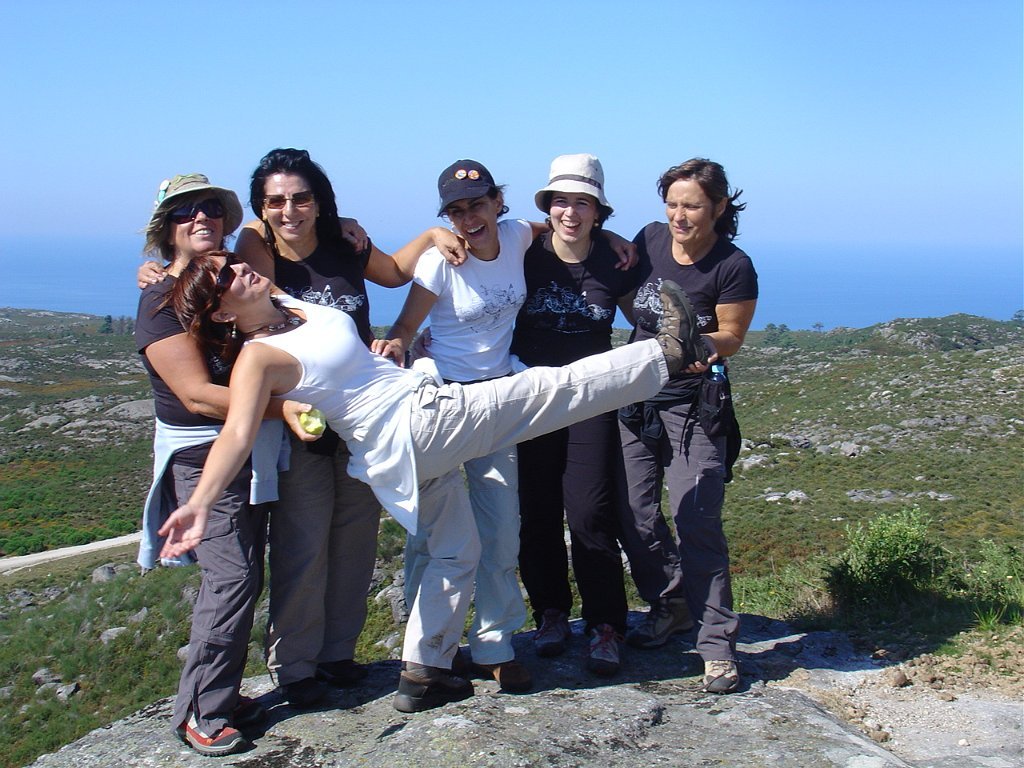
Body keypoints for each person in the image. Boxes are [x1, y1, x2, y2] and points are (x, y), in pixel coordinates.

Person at [157, 251, 704, 714]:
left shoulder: (286, 305)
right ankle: (668, 353)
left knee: (454, 550)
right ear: (221, 313)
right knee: (545, 390)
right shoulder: (256, 358)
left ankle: (424, 669)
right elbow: (237, 433)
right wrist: (199, 503)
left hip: (410, 433)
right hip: (416, 426)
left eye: (233, 260)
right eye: (224, 276)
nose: (238, 269)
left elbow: (265, 242)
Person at [376, 159, 635, 693]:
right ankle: (425, 654)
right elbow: (405, 323)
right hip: (445, 404)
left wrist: (611, 238)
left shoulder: (517, 236)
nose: (468, 218)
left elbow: (561, 225)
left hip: (500, 402)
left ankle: (495, 645)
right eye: (455, 210)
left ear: (498, 202)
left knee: (501, 533)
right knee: (432, 538)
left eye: (478, 204)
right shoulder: (440, 260)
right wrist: (397, 342)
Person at [230, 148, 466, 708]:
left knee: (355, 541)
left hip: (363, 420)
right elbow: (239, 257)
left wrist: (433, 234)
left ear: (320, 201)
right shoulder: (259, 255)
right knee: (303, 545)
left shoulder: (343, 245)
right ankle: (296, 667)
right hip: (304, 425)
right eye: (276, 201)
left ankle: (337, 654)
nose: (290, 210)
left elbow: (394, 273)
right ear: (261, 207)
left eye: (301, 198)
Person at [135, 175, 312, 756]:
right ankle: (200, 712)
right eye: (184, 212)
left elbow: (272, 229)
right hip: (201, 453)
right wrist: (284, 408)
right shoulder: (159, 301)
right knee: (231, 576)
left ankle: (223, 692)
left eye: (211, 207)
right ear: (165, 229)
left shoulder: (234, 270)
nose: (201, 217)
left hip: (251, 446)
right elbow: (196, 395)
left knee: (246, 574)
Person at [616, 159, 758, 694]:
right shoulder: (650, 240)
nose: (679, 215)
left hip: (694, 404)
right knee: (635, 514)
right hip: (636, 397)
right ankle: (671, 603)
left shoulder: (732, 265)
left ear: (718, 207)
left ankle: (717, 645)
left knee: (696, 520)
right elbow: (627, 295)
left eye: (691, 205)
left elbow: (732, 335)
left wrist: (695, 345)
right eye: (672, 204)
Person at [511, 154, 641, 676]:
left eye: (582, 202)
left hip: (591, 399)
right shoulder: (524, 253)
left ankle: (605, 623)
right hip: (531, 398)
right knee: (537, 512)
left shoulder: (614, 261)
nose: (570, 212)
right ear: (547, 206)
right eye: (560, 201)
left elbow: (642, 318)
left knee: (590, 512)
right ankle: (550, 613)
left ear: (598, 210)